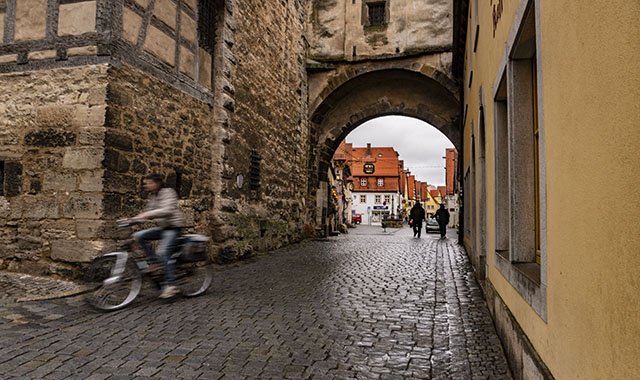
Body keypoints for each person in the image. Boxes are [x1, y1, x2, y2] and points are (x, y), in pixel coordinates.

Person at [133, 173, 186, 299]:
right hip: (163, 228)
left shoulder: (168, 192)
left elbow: (167, 210)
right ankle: (155, 263)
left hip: (173, 228)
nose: (146, 185)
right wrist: (132, 219)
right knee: (139, 236)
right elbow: (148, 212)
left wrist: (147, 214)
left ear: (157, 183)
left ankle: (171, 286)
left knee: (163, 252)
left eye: (149, 183)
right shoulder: (153, 196)